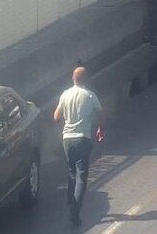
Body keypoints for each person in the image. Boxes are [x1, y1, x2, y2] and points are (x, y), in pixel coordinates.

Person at [54, 67, 104, 227]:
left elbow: (56, 117)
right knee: (82, 175)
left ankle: (70, 200)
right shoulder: (89, 95)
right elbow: (101, 114)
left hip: (67, 139)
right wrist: (99, 129)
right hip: (82, 139)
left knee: (71, 171)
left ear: (73, 78)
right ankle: (75, 212)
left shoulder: (65, 94)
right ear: (85, 79)